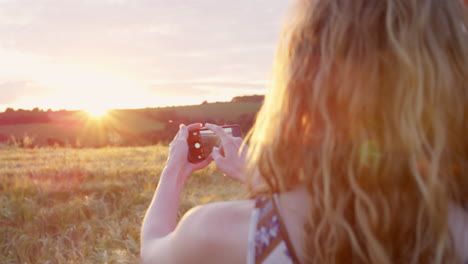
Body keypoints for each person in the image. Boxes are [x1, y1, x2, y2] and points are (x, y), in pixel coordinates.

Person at [141, 0, 468, 263]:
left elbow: (153, 248)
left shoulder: (217, 233)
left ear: (300, 79)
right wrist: (255, 175)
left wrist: (175, 170)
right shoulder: (457, 233)